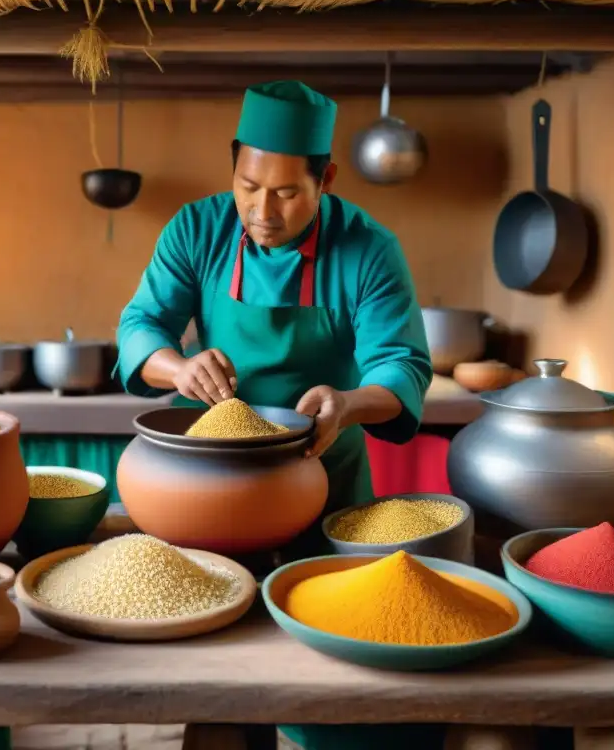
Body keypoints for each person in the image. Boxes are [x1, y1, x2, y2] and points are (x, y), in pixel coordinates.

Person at [114, 80, 435, 750]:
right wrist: (178, 367)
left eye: (287, 192)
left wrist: (346, 404)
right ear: (233, 165)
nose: (262, 210)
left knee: (328, 679)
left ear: (328, 179)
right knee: (220, 686)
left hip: (320, 478)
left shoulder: (369, 249)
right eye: (248, 184)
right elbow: (142, 324)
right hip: (210, 488)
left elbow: (400, 365)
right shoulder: (197, 229)